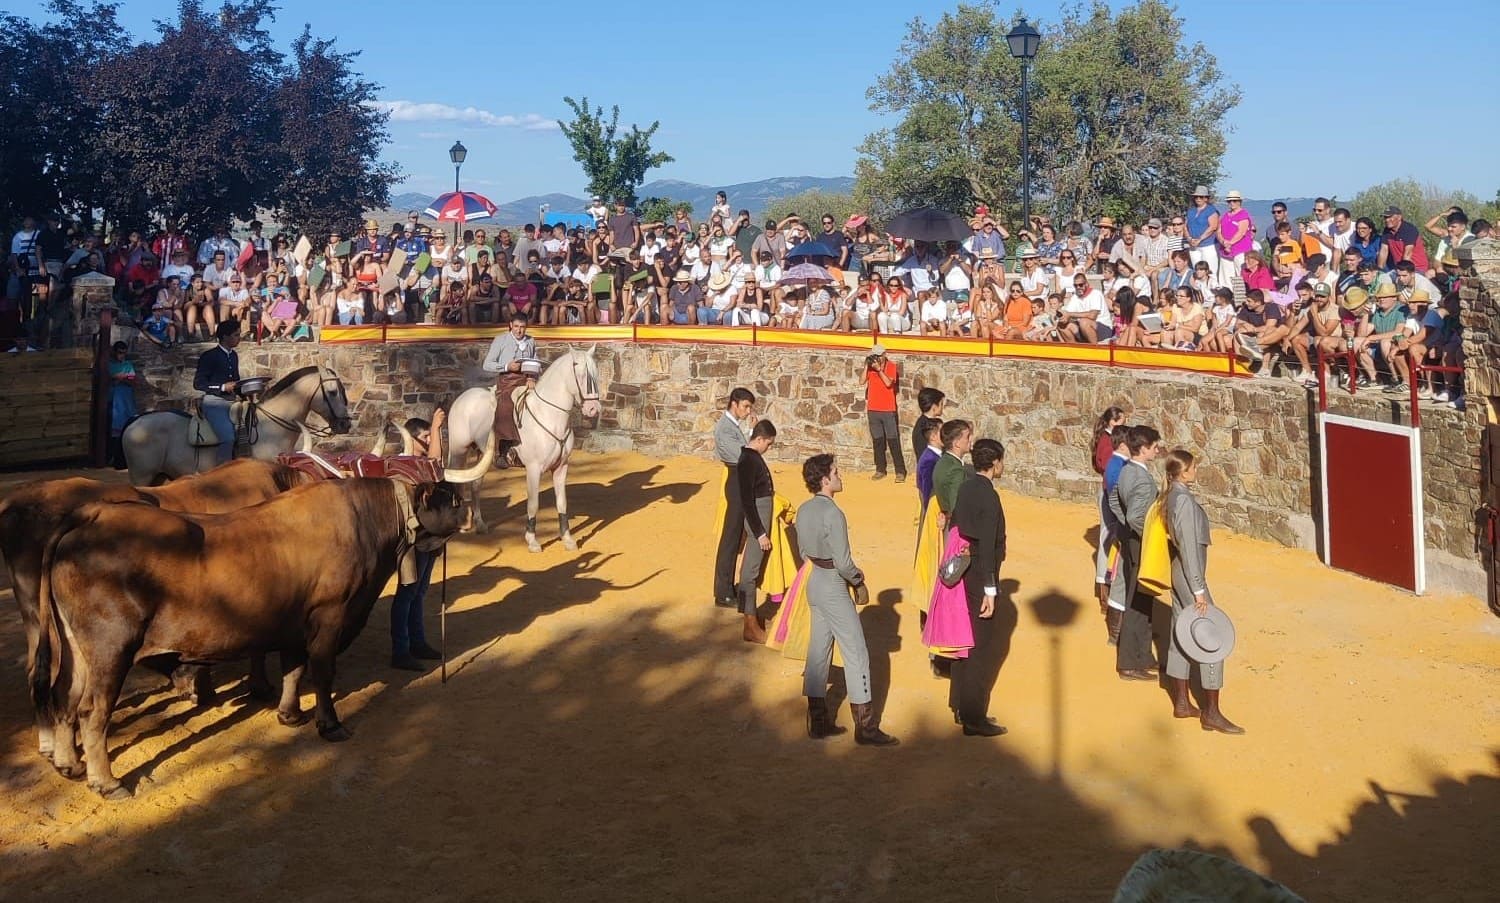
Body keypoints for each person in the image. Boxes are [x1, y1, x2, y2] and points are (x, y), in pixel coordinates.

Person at [797, 454, 898, 746]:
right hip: (832, 585)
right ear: (825, 479)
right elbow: (842, 562)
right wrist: (857, 579)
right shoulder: (833, 514)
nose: (840, 476)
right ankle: (866, 727)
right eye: (836, 472)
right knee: (856, 652)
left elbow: (804, 551)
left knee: (818, 650)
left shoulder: (804, 510)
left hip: (814, 581)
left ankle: (817, 721)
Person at [1159, 449, 1244, 734]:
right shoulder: (1181, 499)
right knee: (1213, 638)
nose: (1196, 470)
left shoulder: (1173, 494)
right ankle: (1211, 712)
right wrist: (1198, 589)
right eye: (1193, 467)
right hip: (1188, 576)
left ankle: (1183, 702)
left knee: (1178, 632)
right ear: (1183, 472)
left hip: (1180, 573)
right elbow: (1188, 549)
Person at [949, 438, 1009, 736]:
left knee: (963, 638)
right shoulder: (988, 496)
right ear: (995, 462)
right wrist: (991, 589)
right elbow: (987, 546)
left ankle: (959, 705)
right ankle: (973, 716)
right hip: (980, 573)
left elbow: (955, 527)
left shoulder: (966, 487)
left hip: (964, 568)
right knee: (979, 645)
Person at [389, 409, 449, 672]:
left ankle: (418, 643)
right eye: (424, 437)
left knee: (419, 592)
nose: (428, 441)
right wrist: (436, 428)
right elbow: (435, 461)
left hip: (429, 536)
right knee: (407, 593)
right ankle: (400, 651)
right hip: (411, 538)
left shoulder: (416, 462)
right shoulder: (403, 463)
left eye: (429, 436)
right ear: (412, 440)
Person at [1109, 424, 1162, 681]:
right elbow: (1135, 516)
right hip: (1141, 543)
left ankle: (1142, 655)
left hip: (1131, 540)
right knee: (1138, 599)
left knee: (1142, 597)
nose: (1157, 450)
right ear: (1143, 449)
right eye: (1154, 447)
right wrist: (1151, 536)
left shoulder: (1126, 471)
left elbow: (1113, 500)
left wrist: (1126, 528)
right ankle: (1129, 662)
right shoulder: (1140, 477)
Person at [735, 420, 779, 644]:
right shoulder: (748, 461)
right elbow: (747, 501)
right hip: (757, 522)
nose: (768, 448)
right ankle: (749, 626)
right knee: (749, 574)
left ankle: (751, 617)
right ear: (759, 439)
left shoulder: (750, 458)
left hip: (759, 518)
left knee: (751, 570)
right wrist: (760, 532)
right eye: (768, 444)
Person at [712, 388, 756, 609]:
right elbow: (743, 456)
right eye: (746, 406)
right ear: (734, 403)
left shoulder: (732, 427)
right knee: (730, 538)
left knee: (736, 536)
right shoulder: (724, 428)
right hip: (736, 481)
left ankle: (727, 587)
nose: (748, 411)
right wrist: (755, 439)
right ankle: (723, 592)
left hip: (740, 481)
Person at [481, 313, 538, 464]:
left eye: (523, 327)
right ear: (511, 325)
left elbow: (534, 362)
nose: (519, 331)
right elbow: (487, 364)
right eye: (517, 327)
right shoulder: (500, 340)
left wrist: (531, 377)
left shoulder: (531, 341)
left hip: (526, 380)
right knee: (506, 405)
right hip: (507, 381)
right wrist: (507, 366)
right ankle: (503, 450)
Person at [1091, 407, 1127, 608]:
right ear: (1112, 423)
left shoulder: (1105, 440)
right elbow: (1106, 467)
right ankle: (1104, 587)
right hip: (1110, 491)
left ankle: (1106, 585)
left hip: (1109, 490)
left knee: (1109, 537)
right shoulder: (1107, 442)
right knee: (1108, 538)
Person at [192, 319, 242, 465]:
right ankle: (223, 472)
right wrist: (222, 387)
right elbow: (198, 383)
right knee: (228, 438)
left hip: (233, 401)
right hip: (214, 403)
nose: (239, 338)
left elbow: (236, 381)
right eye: (236, 335)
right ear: (225, 337)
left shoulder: (234, 355)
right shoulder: (209, 356)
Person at [861, 344, 906, 482]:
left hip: (887, 409)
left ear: (884, 355)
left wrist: (879, 370)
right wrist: (866, 366)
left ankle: (900, 471)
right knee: (878, 441)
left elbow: (888, 383)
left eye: (878, 356)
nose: (876, 359)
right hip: (873, 409)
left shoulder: (891, 366)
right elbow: (861, 381)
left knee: (893, 440)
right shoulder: (870, 368)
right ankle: (880, 469)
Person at [107, 341, 138, 469]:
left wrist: (120, 378)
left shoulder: (127, 364)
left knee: (128, 429)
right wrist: (120, 378)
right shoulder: (109, 365)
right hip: (114, 401)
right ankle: (114, 458)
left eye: (124, 353)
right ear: (114, 352)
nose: (122, 356)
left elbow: (132, 381)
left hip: (126, 401)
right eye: (120, 353)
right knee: (114, 431)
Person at [911, 386, 946, 466]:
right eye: (941, 404)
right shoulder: (923, 428)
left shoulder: (925, 423)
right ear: (934, 407)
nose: (942, 407)